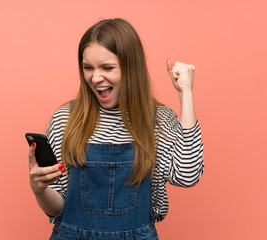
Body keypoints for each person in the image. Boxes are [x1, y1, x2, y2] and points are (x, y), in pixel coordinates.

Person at [28, 18, 204, 240]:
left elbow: (187, 176)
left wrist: (185, 93)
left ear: (131, 67)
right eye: (87, 67)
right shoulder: (66, 119)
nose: (95, 77)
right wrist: (40, 190)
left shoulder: (157, 120)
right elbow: (57, 207)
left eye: (107, 67)